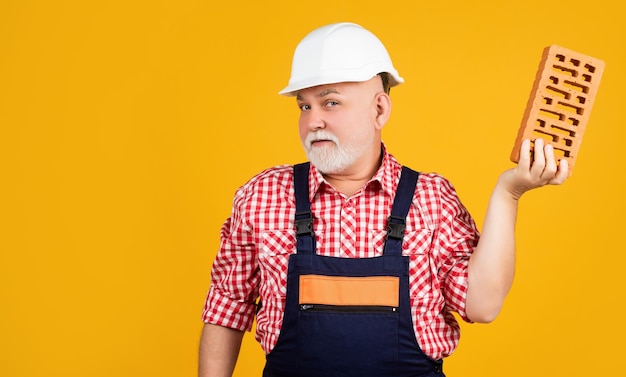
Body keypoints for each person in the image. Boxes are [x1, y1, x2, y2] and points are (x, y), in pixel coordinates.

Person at [198, 22, 568, 377]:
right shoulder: (263, 195)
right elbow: (227, 307)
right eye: (304, 106)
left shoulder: (431, 198)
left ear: (379, 110)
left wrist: (509, 192)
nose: (313, 122)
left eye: (330, 103)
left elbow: (482, 306)